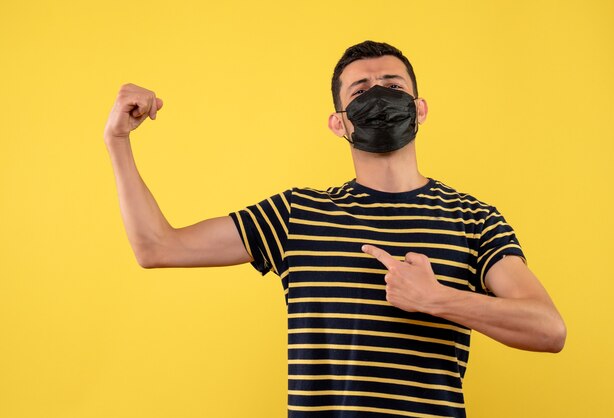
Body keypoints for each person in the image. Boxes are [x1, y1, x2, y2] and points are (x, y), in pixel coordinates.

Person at [104, 40, 566, 417]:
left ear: (420, 109)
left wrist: (437, 298)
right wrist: (118, 141)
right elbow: (157, 247)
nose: (379, 95)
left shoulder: (473, 218)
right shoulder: (296, 214)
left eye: (392, 84)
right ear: (338, 122)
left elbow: (549, 329)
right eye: (360, 90)